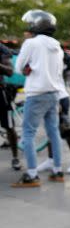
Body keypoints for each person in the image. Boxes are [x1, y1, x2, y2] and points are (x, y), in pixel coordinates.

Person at [11, 10, 64, 188]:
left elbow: (18, 68)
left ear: (35, 25)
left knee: (28, 133)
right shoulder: (57, 45)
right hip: (53, 93)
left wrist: (29, 68)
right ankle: (58, 170)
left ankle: (32, 175)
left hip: (36, 93)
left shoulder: (31, 44)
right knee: (53, 133)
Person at [0, 41, 20, 170]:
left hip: (1, 95)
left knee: (9, 126)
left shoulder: (2, 50)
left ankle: (15, 157)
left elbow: (10, 71)